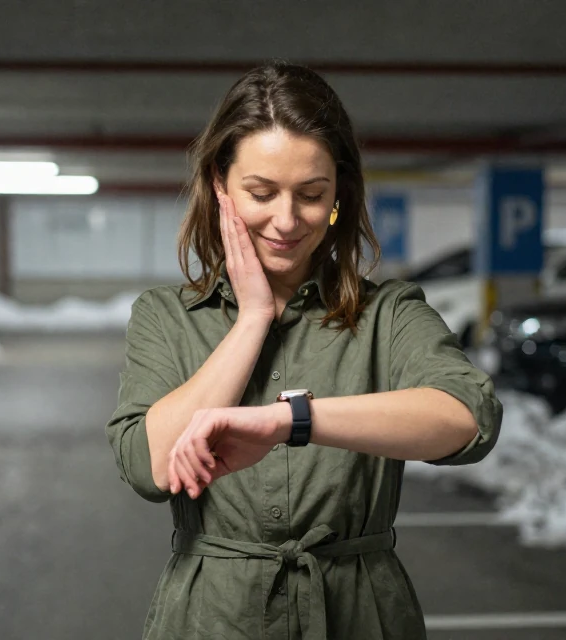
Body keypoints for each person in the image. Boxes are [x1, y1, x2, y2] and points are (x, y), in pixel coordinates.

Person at [105, 61, 502, 640]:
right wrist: (252, 320)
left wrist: (293, 421)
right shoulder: (166, 317)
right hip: (214, 617)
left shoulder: (388, 312)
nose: (286, 221)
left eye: (311, 195)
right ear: (220, 186)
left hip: (360, 613)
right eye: (261, 193)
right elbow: (151, 466)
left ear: (339, 192)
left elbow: (469, 417)